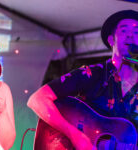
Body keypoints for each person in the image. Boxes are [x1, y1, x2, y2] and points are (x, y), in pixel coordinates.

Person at [27, 10, 138, 150]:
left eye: (136, 32)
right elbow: (37, 100)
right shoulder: (92, 73)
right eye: (124, 30)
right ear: (111, 40)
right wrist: (74, 135)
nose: (130, 35)